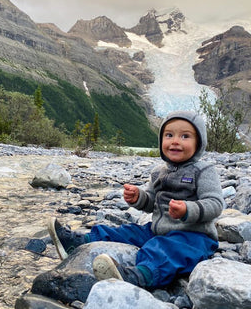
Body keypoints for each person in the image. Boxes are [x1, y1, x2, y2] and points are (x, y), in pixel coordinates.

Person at [48, 110, 224, 289]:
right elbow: (151, 203)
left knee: (165, 250)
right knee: (125, 232)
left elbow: (216, 204)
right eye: (169, 135)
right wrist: (139, 198)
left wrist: (188, 210)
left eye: (185, 136)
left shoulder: (203, 170)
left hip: (194, 237)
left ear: (199, 143)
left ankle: (140, 276)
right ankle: (78, 243)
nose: (175, 141)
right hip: (157, 230)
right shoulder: (159, 172)